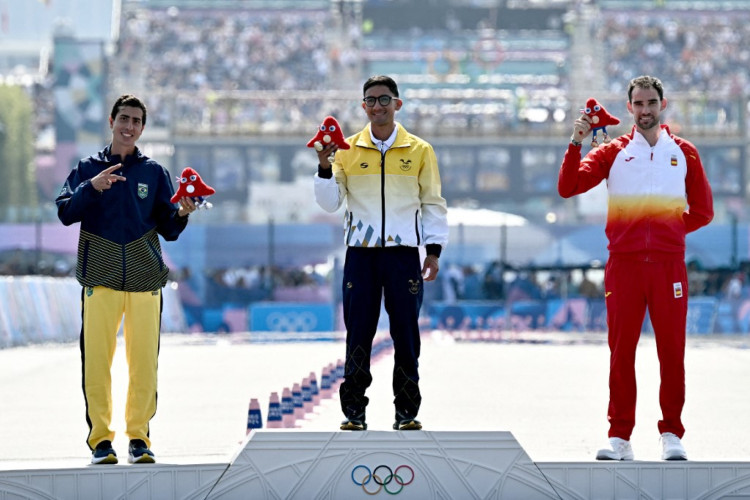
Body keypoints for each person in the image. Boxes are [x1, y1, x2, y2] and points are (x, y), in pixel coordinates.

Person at [558, 76, 713, 461]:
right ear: (629, 108)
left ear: (663, 104)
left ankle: (672, 434)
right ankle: (620, 437)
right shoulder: (611, 152)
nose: (645, 110)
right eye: (639, 104)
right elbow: (568, 188)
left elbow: (704, 211)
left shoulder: (685, 152)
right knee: (620, 352)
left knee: (671, 352)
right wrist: (576, 141)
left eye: (651, 103)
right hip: (624, 267)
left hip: (668, 267)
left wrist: (668, 229)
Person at [56, 94, 197, 464]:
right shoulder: (87, 168)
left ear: (142, 128)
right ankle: (101, 441)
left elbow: (170, 230)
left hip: (145, 281)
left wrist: (182, 212)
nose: (129, 126)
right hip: (99, 280)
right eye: (123, 118)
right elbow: (65, 212)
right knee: (97, 364)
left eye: (136, 120)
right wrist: (92, 187)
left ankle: (139, 439)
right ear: (111, 120)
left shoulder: (153, 172)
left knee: (144, 365)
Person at [314, 75, 448, 431]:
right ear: (363, 107)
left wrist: (432, 252)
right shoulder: (347, 149)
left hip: (404, 255)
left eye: (384, 99)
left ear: (398, 104)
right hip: (361, 254)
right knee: (358, 332)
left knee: (406, 333)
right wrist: (325, 167)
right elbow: (330, 204)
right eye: (370, 100)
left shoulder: (420, 150)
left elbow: (433, 203)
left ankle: (407, 412)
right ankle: (353, 412)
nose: (377, 106)